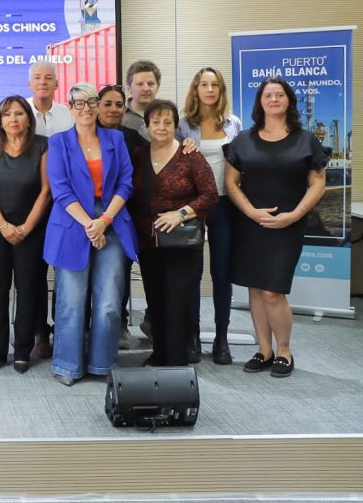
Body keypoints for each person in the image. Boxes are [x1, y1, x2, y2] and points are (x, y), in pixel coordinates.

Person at [224, 78, 326, 378]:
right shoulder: (243, 140)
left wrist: (294, 215)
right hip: (250, 224)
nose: (273, 99)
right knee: (255, 289)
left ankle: (284, 350)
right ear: (260, 102)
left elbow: (317, 183)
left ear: (289, 100)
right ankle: (264, 350)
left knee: (273, 291)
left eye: (279, 94)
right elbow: (231, 183)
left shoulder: (306, 140)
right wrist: (251, 212)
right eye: (267, 95)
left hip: (288, 225)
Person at [44, 83, 138, 386]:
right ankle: (67, 365)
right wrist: (90, 225)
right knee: (71, 301)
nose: (86, 108)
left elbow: (126, 182)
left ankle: (102, 364)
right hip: (73, 221)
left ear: (98, 106)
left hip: (112, 220)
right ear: (70, 108)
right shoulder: (58, 142)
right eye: (79, 103)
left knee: (109, 303)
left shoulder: (115, 139)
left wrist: (104, 220)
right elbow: (60, 191)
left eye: (91, 102)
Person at [130, 100, 217, 367]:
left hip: (182, 243)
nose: (161, 127)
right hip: (149, 242)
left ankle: (178, 360)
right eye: (156, 122)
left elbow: (210, 194)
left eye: (167, 122)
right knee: (155, 299)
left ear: (175, 126)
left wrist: (181, 213)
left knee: (178, 300)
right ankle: (159, 354)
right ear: (147, 126)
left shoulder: (189, 154)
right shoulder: (138, 155)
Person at [0, 96, 50, 374]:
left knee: (29, 288)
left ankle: (22, 350)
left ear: (29, 118)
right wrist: (4, 226)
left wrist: (26, 227)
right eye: (7, 114)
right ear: (0, 121)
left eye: (19, 113)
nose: (13, 119)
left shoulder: (42, 146)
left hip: (32, 228)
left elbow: (46, 191)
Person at [176, 67, 243, 364]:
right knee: (192, 274)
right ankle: (192, 336)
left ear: (221, 90)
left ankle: (221, 338)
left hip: (225, 205)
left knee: (221, 273)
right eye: (204, 84)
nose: (210, 90)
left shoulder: (233, 123)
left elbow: (240, 164)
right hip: (193, 207)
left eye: (215, 85)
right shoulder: (183, 125)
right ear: (196, 89)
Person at [25, 60, 73, 358]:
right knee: (34, 274)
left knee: (66, 272)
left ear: (56, 83)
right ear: (29, 83)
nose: (42, 82)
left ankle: (65, 330)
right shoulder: (18, 112)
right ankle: (39, 331)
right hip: (30, 206)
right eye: (37, 77)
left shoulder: (69, 115)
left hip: (66, 206)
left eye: (48, 77)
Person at [97, 84, 146, 349]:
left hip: (124, 214)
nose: (113, 109)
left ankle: (120, 325)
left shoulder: (133, 138)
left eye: (119, 105)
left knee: (119, 273)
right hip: (88, 217)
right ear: (97, 106)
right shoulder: (85, 133)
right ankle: (82, 328)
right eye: (107, 103)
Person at [122, 60, 161, 140]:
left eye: (150, 84)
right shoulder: (120, 117)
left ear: (157, 87)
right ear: (129, 88)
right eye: (140, 84)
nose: (146, 89)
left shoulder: (168, 115)